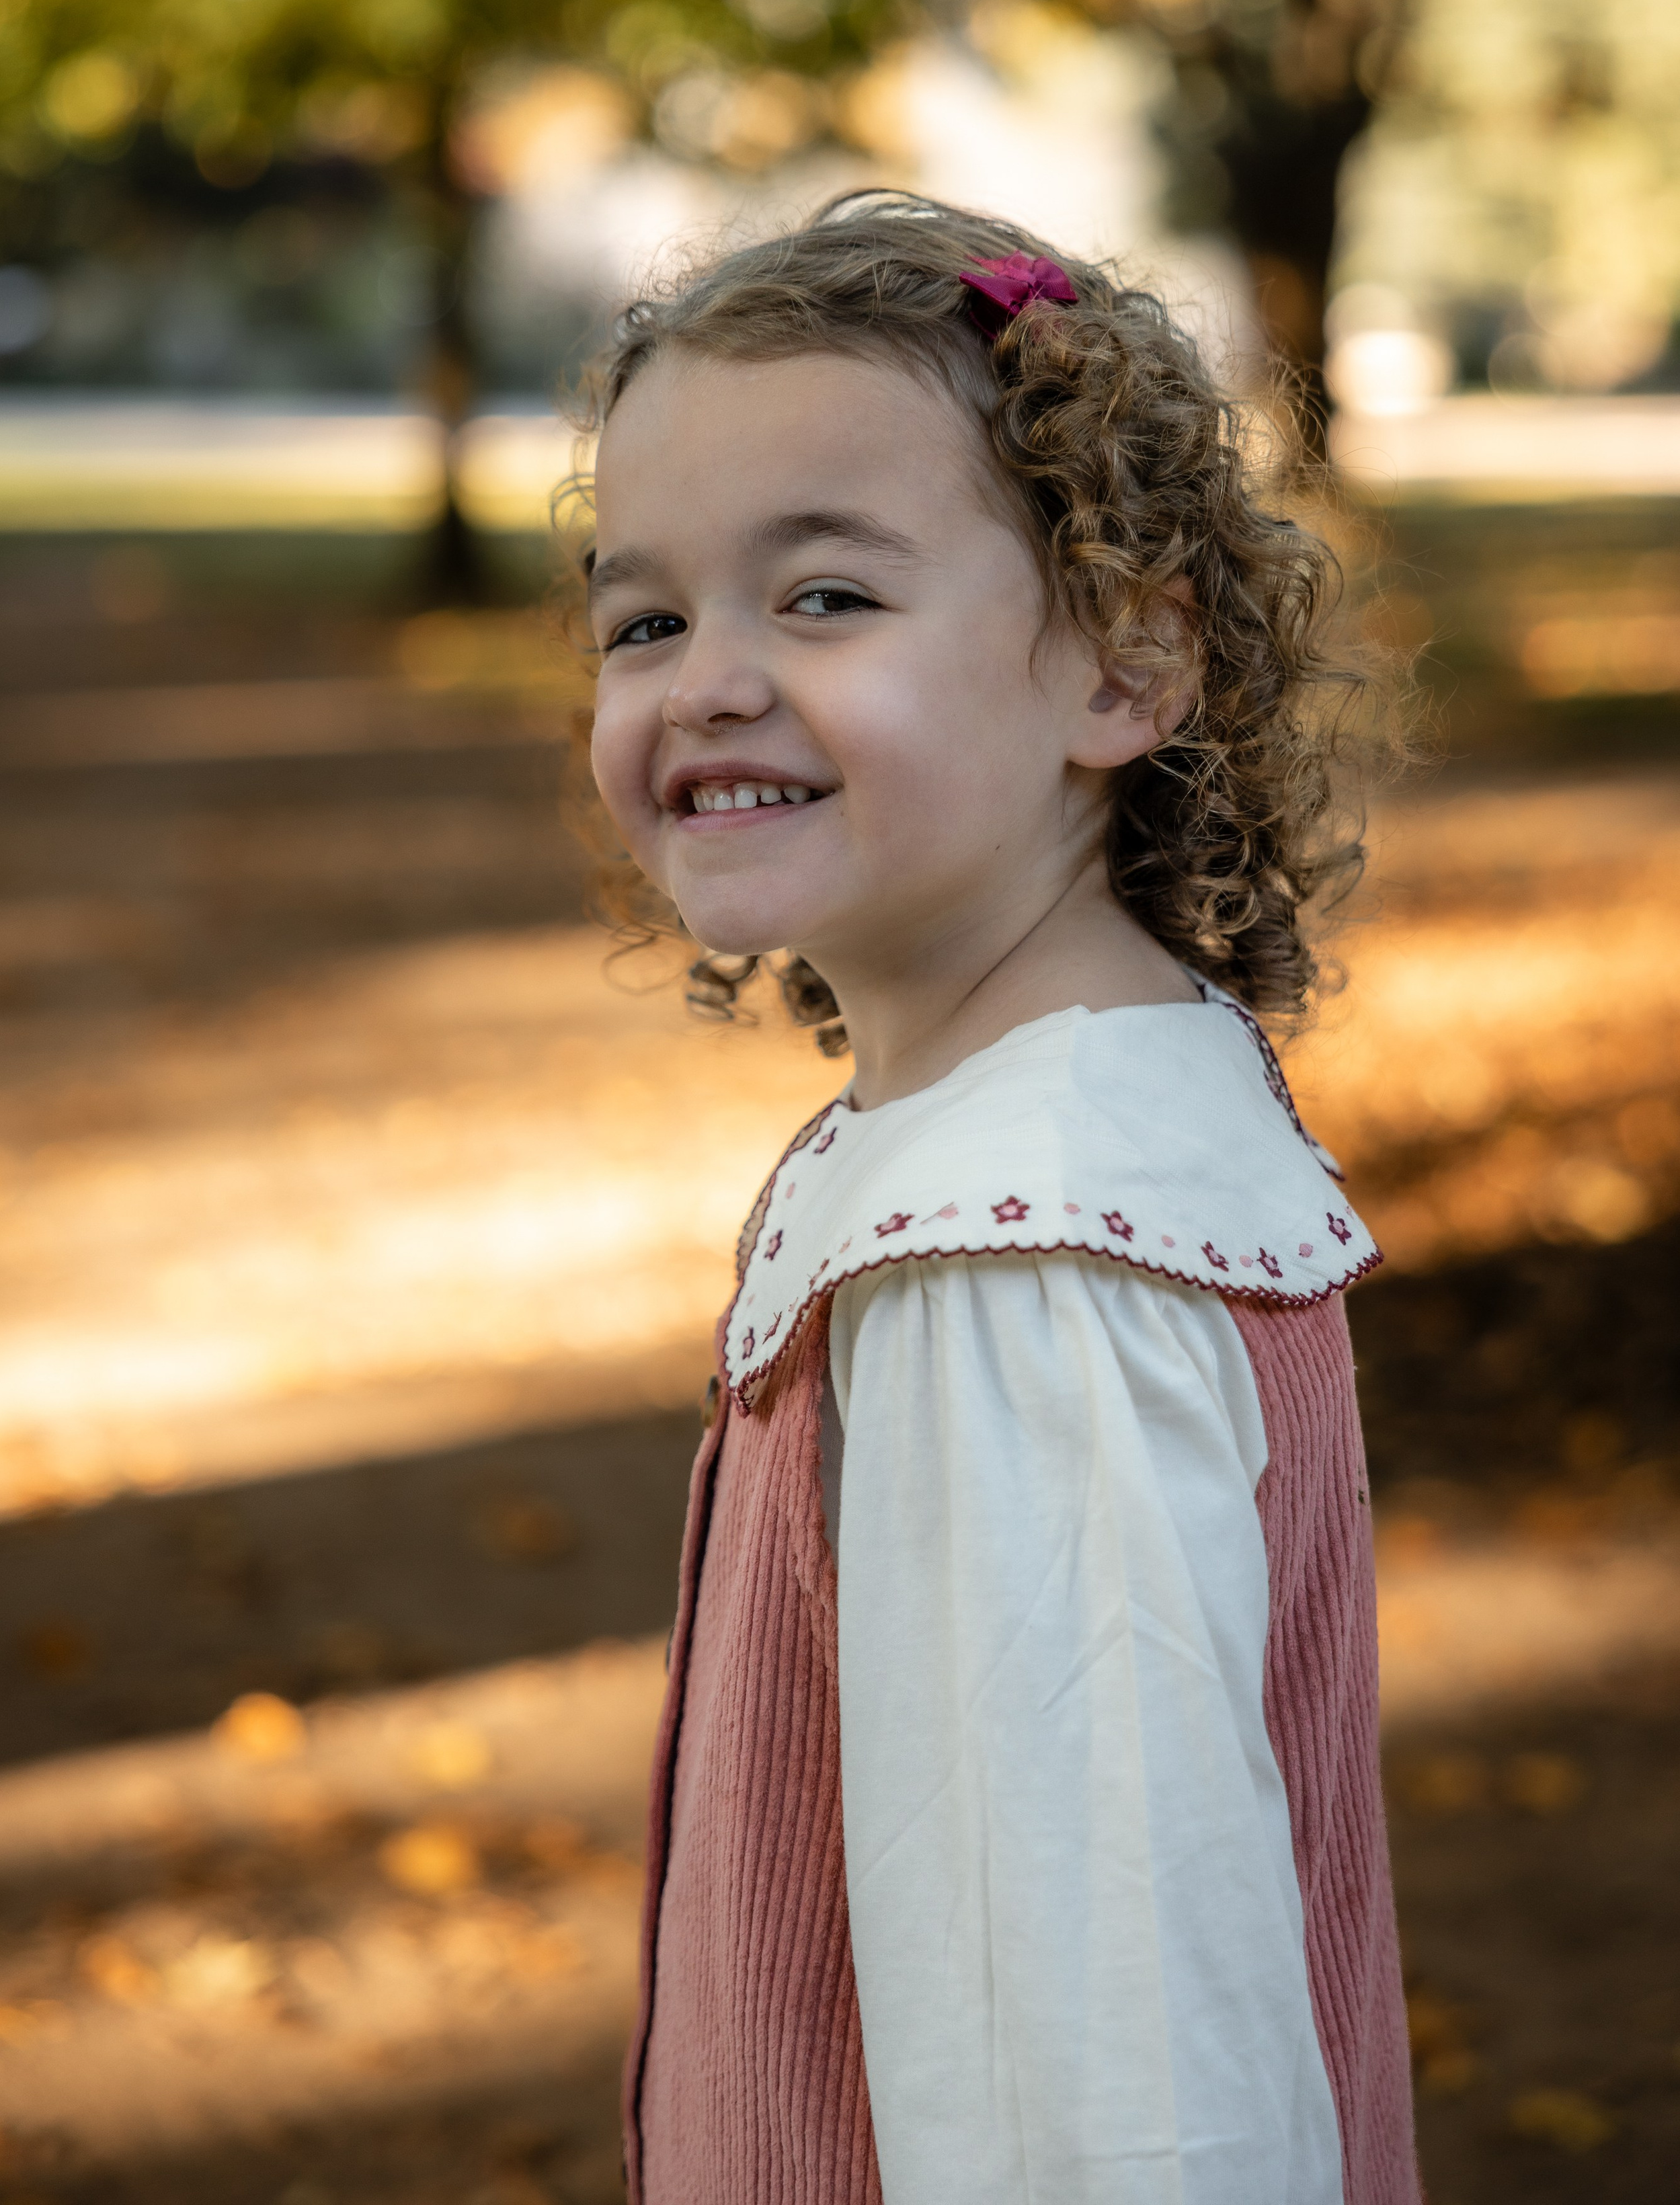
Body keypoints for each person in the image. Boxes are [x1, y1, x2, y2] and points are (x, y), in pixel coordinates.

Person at [577, 192, 1421, 2205]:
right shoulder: (1060, 1129)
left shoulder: (1017, 1269)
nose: (706, 681)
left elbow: (1117, 2102)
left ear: (1122, 668)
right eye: (644, 616)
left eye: (828, 598)